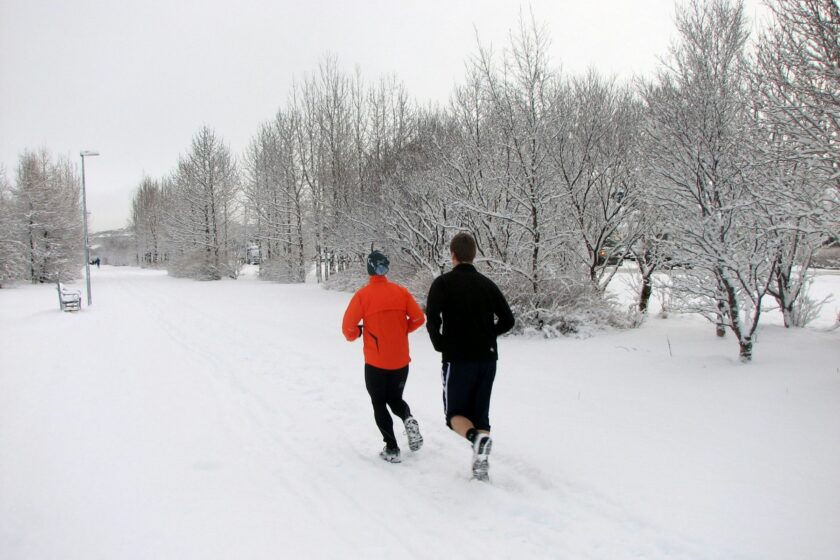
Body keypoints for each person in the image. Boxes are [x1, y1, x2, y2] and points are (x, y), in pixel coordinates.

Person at [425, 232, 514, 481]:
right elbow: (508, 320)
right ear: (473, 255)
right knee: (480, 412)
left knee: (454, 415)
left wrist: (440, 344)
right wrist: (487, 334)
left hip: (458, 358)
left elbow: (432, 321)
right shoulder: (487, 285)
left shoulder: (442, 284)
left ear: (452, 255)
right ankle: (480, 461)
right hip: (487, 359)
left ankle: (476, 440)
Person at [342, 250, 426, 463]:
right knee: (395, 399)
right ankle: (408, 418)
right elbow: (418, 319)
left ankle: (392, 448)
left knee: (379, 403)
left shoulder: (363, 295)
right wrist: (400, 330)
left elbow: (347, 329)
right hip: (400, 361)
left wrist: (360, 332)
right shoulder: (401, 292)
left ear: (369, 269)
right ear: (386, 269)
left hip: (376, 362)